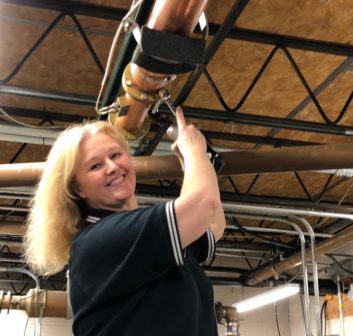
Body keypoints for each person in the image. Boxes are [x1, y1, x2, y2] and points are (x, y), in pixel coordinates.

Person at [24, 107, 226, 336]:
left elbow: (213, 224)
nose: (112, 167)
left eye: (116, 155)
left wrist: (191, 163)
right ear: (78, 188)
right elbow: (205, 203)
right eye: (95, 166)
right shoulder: (100, 240)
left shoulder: (152, 239)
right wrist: (194, 150)